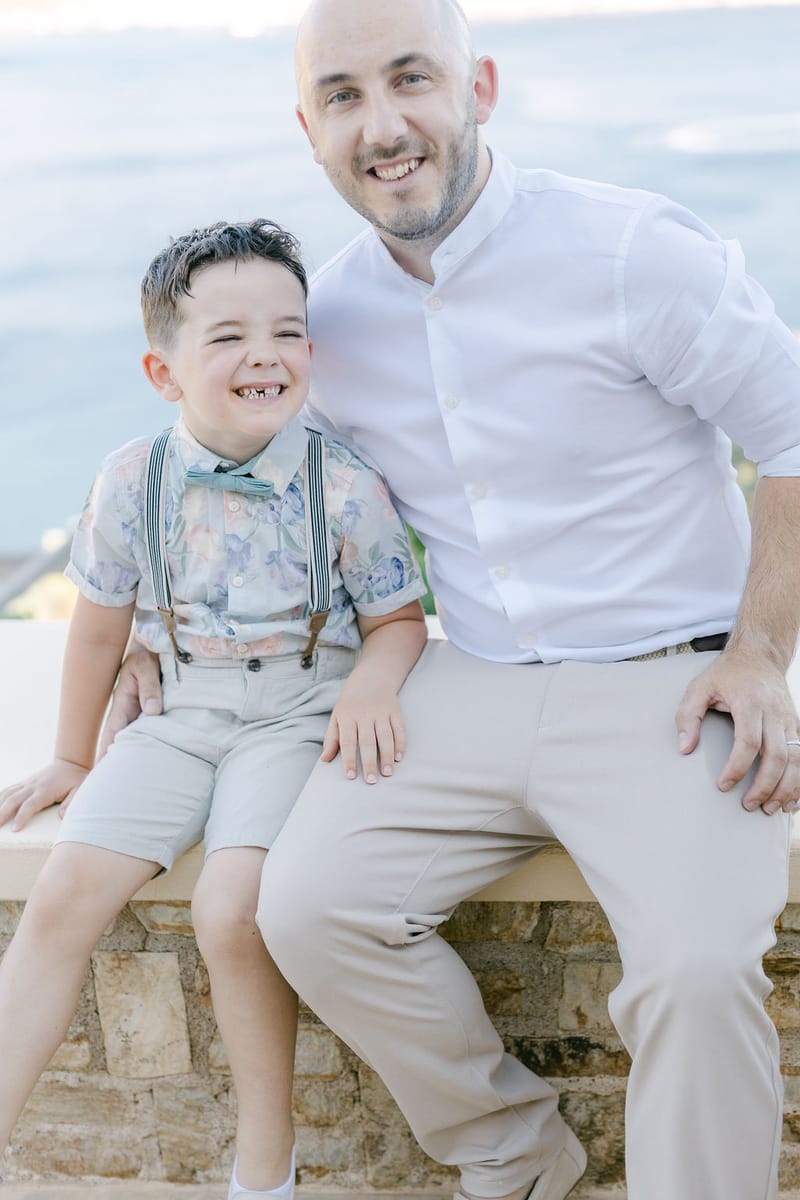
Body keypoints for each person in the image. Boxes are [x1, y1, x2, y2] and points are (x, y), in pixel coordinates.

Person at [73, 1, 800, 1198]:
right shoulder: (332, 321)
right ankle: (516, 1157)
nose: (384, 124)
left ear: (480, 88)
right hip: (462, 681)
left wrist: (761, 651)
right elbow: (257, 486)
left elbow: (790, 432)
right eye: (345, 97)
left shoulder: (630, 253)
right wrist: (147, 635)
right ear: (308, 129)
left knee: (687, 970)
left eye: (412, 80)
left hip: (671, 683)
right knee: (304, 909)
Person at [0, 218, 427, 1199]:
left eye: (286, 331)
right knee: (61, 895)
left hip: (295, 713)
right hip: (178, 710)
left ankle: (265, 1168)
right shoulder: (127, 480)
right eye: (227, 336)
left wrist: (367, 679)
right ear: (165, 371)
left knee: (231, 911)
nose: (263, 355)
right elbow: (99, 630)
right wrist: (72, 759)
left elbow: (398, 619)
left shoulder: (346, 486)